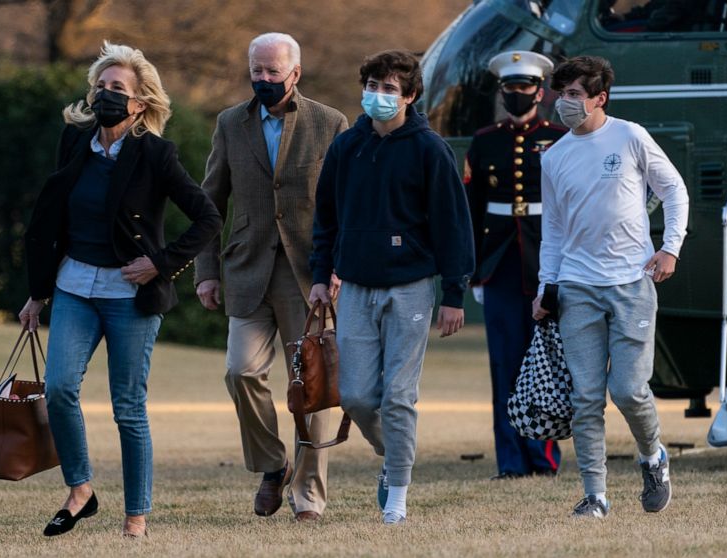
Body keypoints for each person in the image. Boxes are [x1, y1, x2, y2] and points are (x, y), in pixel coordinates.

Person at [18, 41, 222, 537]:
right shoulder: (74, 140)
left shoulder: (156, 154)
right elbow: (53, 218)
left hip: (130, 297)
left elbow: (208, 218)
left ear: (139, 102)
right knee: (59, 389)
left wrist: (161, 263)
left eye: (117, 88)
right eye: (101, 86)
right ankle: (80, 491)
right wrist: (37, 292)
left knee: (128, 408)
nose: (106, 94)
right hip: (74, 287)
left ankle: (136, 516)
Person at [309, 50, 475, 525]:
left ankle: (397, 497)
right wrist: (320, 275)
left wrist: (454, 294)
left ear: (410, 96)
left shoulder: (430, 150)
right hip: (356, 287)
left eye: (388, 89)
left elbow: (453, 225)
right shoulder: (346, 147)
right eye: (372, 86)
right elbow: (326, 218)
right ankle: (393, 453)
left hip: (411, 287)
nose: (377, 96)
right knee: (357, 397)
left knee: (399, 396)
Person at [193, 32, 347, 522]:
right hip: (247, 270)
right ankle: (273, 464)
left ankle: (309, 497)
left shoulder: (330, 123)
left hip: (311, 277)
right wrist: (205, 271)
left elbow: (345, 204)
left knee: (314, 389)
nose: (262, 78)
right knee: (240, 371)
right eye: (255, 70)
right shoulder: (229, 123)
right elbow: (210, 201)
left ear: (295, 73)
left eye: (272, 71)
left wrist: (337, 266)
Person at [533, 55, 688, 518]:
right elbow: (553, 230)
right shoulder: (554, 157)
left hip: (631, 284)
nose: (565, 103)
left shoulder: (630, 136)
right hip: (577, 287)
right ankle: (595, 495)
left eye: (575, 95)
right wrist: (546, 287)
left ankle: (653, 456)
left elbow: (674, 190)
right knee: (584, 398)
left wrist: (670, 247)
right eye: (562, 94)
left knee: (628, 390)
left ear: (600, 98)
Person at [465, 51, 565, 480]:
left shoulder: (560, 137)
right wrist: (475, 270)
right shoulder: (485, 140)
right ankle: (510, 461)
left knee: (543, 362)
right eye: (510, 89)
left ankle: (544, 457)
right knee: (504, 364)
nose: (516, 95)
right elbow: (472, 210)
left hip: (545, 260)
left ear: (540, 92)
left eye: (524, 88)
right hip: (501, 263)